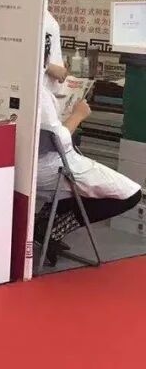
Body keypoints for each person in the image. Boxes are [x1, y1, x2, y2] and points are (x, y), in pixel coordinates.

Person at [35, 75, 141, 267]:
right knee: (131, 194)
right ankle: (53, 230)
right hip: (52, 166)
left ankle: (43, 221)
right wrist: (78, 115)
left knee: (80, 185)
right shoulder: (39, 94)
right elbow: (58, 141)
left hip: (29, 168)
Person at [42, 0, 67, 95]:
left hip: (50, 92)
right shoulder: (29, 14)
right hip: (39, 93)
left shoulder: (45, 14)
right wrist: (48, 67)